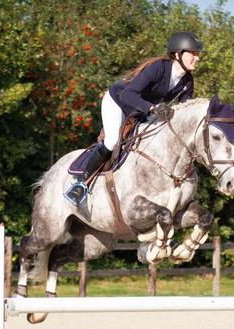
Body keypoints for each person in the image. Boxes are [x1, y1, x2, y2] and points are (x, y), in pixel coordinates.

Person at [64, 31, 203, 207]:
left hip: (141, 111)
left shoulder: (188, 81)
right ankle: (80, 183)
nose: (197, 58)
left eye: (198, 54)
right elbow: (128, 94)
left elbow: (184, 112)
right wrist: (152, 108)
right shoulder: (159, 68)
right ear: (177, 54)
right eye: (193, 54)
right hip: (118, 101)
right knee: (113, 141)